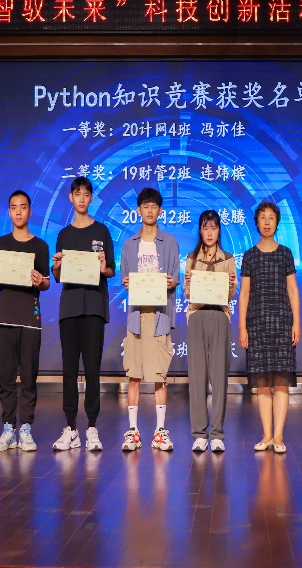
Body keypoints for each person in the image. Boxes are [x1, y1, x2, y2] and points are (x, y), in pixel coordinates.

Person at [51, 177, 115, 452]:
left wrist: (103, 267)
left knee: (92, 369)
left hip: (94, 308)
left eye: (86, 194)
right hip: (70, 308)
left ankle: (92, 427)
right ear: (71, 197)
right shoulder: (64, 235)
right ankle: (70, 428)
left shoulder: (102, 231)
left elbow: (110, 271)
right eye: (77, 194)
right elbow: (57, 275)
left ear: (91, 198)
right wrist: (56, 266)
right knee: (69, 369)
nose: (81, 199)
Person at [0, 190, 51, 452]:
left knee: (29, 377)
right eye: (14, 207)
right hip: (5, 317)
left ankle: (25, 428)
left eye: (23, 207)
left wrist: (40, 281)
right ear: (9, 212)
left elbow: (46, 283)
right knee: (6, 377)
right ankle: (8, 428)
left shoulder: (40, 246)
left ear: (30, 211)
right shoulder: (0, 243)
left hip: (30, 319)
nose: (18, 212)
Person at [120, 187, 180, 452]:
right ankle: (133, 431)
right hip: (136, 315)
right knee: (134, 374)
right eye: (145, 205)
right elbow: (124, 277)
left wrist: (172, 282)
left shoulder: (170, 242)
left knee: (159, 375)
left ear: (160, 211)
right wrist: (126, 283)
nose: (150, 210)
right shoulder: (129, 245)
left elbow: (175, 276)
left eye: (154, 206)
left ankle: (160, 431)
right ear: (139, 210)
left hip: (159, 315)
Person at [239, 200, 300, 454]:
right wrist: (242, 327)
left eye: (271, 218)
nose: (267, 222)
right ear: (257, 223)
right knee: (263, 383)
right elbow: (244, 294)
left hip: (282, 323)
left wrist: (296, 322)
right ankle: (266, 435)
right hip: (257, 324)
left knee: (282, 382)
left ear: (276, 223)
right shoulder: (250, 256)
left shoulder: (285, 253)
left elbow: (293, 290)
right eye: (262, 217)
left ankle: (279, 436)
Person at [184, 210, 238, 453]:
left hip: (219, 316)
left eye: (213, 228)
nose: (209, 233)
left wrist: (229, 285)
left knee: (219, 376)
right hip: (197, 315)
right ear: (200, 230)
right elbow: (188, 293)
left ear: (219, 231)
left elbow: (230, 295)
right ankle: (199, 433)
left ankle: (216, 433)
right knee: (197, 377)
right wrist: (189, 281)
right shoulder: (191, 258)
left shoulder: (228, 259)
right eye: (205, 228)